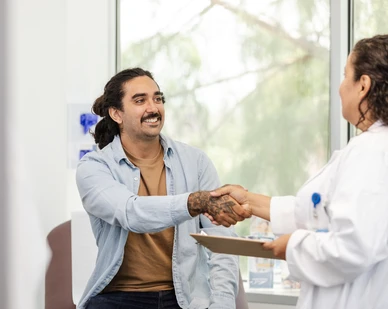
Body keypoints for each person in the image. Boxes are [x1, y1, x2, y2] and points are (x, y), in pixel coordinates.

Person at [211, 34, 388, 309]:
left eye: (345, 76)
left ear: (363, 85)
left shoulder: (373, 152)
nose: (340, 88)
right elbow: (318, 213)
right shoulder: (369, 148)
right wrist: (249, 200)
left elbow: (353, 248)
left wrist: (292, 246)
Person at [75, 68, 247, 309]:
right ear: (117, 114)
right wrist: (195, 202)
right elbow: (131, 213)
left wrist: (222, 303)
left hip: (183, 298)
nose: (153, 108)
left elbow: (223, 240)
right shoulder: (94, 168)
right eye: (140, 100)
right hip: (117, 298)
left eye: (158, 98)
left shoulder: (195, 162)